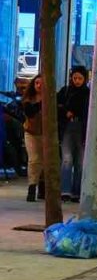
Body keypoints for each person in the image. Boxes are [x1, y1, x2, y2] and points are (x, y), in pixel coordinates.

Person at [57, 66, 90, 202]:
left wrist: (72, 111)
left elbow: (86, 111)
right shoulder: (65, 92)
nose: (77, 81)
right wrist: (65, 112)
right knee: (67, 159)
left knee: (80, 162)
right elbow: (57, 105)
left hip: (82, 129)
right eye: (75, 78)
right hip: (67, 127)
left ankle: (77, 192)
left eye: (80, 78)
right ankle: (65, 191)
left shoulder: (88, 93)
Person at [21, 74, 45, 202]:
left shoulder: (52, 98)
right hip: (31, 133)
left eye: (42, 83)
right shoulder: (28, 99)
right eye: (37, 83)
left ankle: (42, 188)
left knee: (45, 162)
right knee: (34, 160)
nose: (39, 86)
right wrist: (42, 103)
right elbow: (30, 112)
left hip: (46, 134)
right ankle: (32, 187)